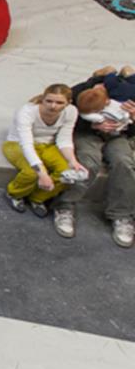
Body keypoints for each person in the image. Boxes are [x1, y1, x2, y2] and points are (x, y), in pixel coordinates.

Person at [58, 68, 135, 245]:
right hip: (87, 134)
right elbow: (64, 117)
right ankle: (64, 205)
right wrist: (92, 126)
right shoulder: (81, 91)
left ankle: (122, 214)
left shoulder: (128, 96)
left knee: (123, 162)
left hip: (118, 136)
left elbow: (132, 132)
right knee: (88, 161)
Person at [2, 84, 84, 216]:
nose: (53, 106)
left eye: (59, 103)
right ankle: (15, 194)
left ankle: (38, 198)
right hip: (17, 143)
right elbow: (26, 144)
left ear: (68, 103)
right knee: (31, 172)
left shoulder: (71, 111)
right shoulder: (27, 112)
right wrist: (43, 174)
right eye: (49, 101)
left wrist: (72, 160)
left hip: (48, 145)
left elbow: (64, 139)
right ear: (43, 99)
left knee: (65, 173)